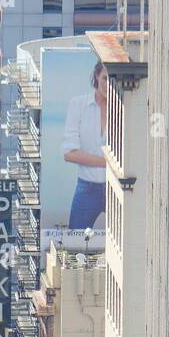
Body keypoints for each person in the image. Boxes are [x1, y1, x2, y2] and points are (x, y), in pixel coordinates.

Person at [61, 61, 109, 231]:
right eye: (105, 78)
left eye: (113, 79)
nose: (108, 84)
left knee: (128, 239)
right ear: (96, 76)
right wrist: (107, 162)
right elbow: (69, 153)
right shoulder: (78, 105)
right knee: (75, 240)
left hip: (117, 187)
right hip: (87, 187)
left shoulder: (124, 107)